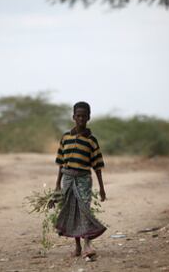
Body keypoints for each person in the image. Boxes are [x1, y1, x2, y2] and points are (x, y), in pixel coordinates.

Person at [53, 101, 107, 258]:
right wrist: (57, 184)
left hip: (83, 179)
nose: (81, 119)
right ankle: (77, 247)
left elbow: (97, 166)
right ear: (73, 117)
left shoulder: (91, 140)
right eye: (78, 116)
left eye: (84, 116)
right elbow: (61, 162)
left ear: (89, 117)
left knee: (84, 210)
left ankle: (87, 245)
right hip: (68, 179)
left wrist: (102, 188)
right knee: (72, 211)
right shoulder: (65, 137)